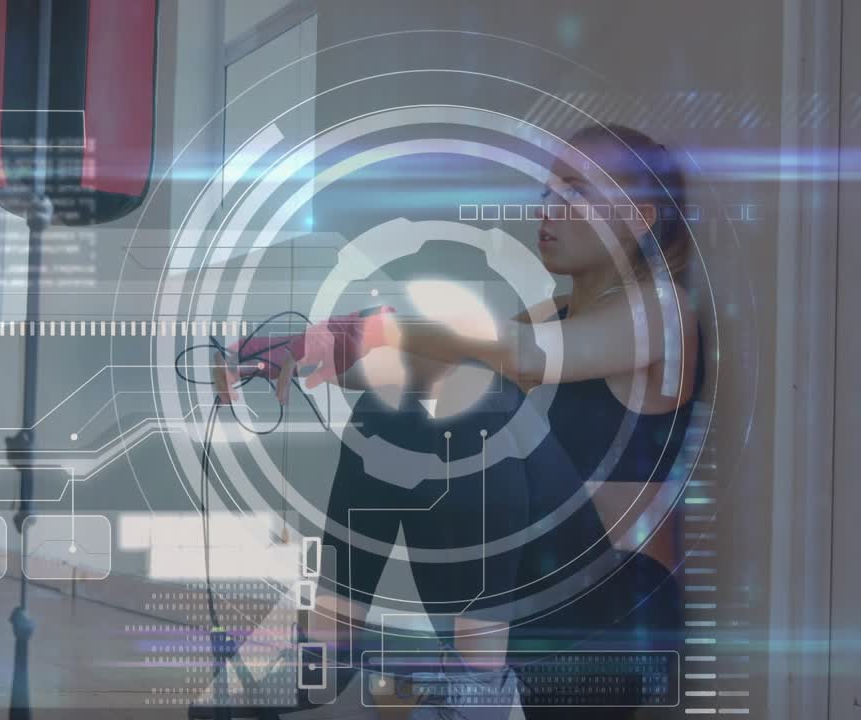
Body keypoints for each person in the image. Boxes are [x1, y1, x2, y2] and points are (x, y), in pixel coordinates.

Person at [292, 124, 701, 718]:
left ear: (639, 217)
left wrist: (386, 330)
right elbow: (410, 367)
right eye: (549, 190)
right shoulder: (546, 318)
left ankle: (476, 690)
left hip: (609, 636)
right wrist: (303, 352)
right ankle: (326, 656)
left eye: (576, 191)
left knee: (478, 399)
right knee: (407, 394)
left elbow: (521, 358)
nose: (549, 207)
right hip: (526, 623)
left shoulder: (663, 312)